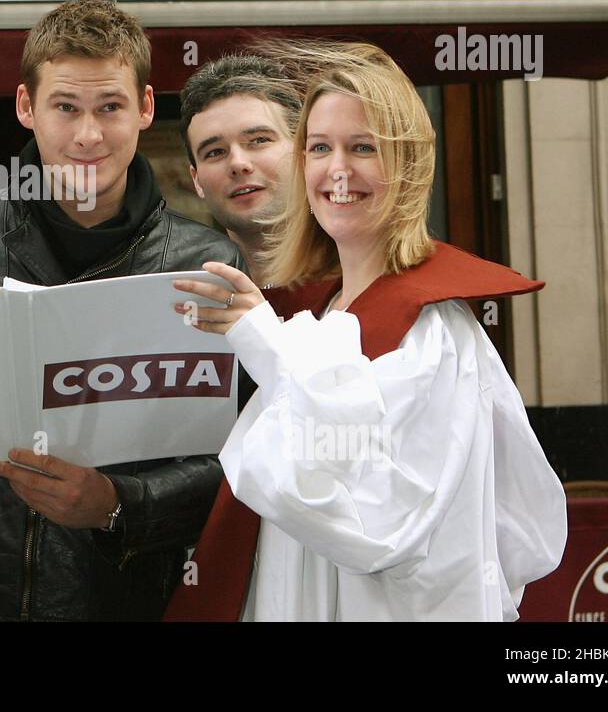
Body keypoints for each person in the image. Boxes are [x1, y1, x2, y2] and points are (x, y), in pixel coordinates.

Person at [0, 0, 246, 621]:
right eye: (66, 107)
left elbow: (237, 460)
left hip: (132, 604)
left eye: (111, 108)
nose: (88, 135)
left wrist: (118, 502)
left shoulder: (206, 264)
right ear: (26, 108)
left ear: (146, 109)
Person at [167, 39, 567, 621]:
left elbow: (374, 522)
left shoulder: (429, 328)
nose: (338, 171)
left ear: (407, 164)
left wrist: (263, 343)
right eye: (321, 147)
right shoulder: (334, 312)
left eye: (363, 148)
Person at [178, 53, 304, 277]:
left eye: (259, 140)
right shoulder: (179, 298)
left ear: (304, 154)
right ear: (196, 180)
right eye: (215, 152)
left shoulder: (364, 283)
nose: (238, 163)